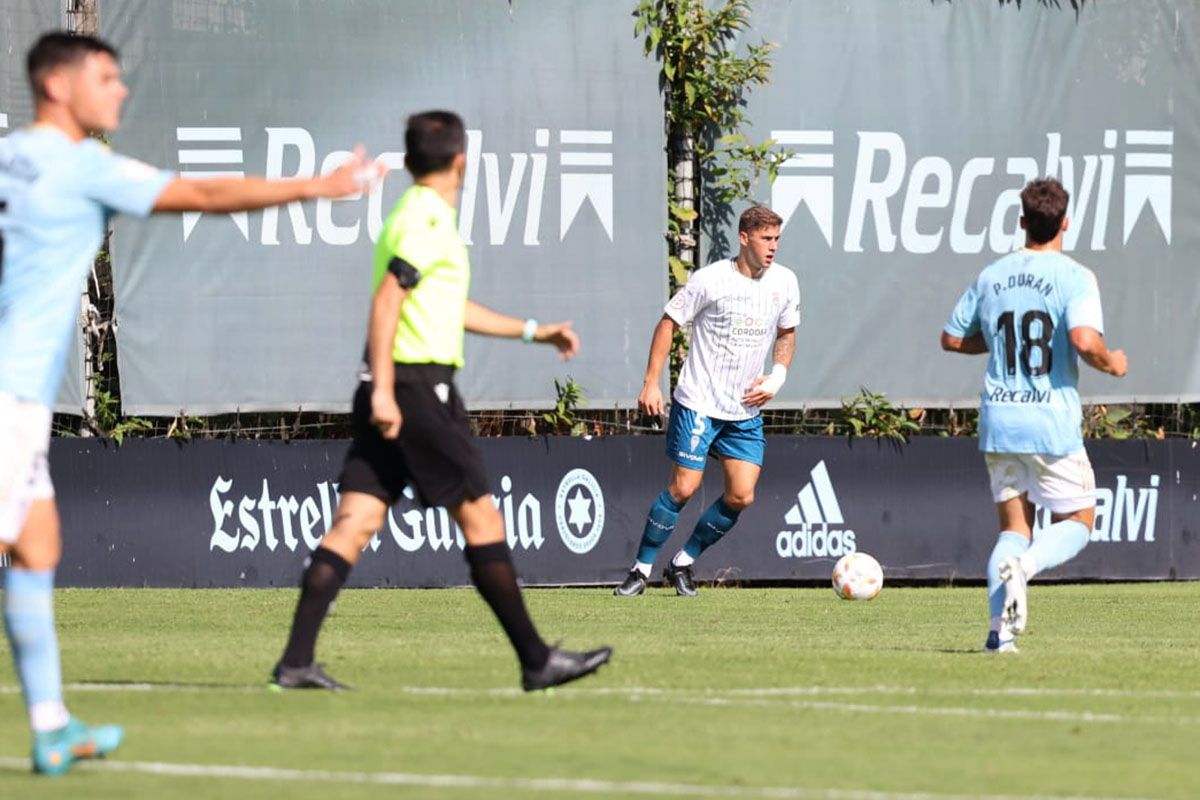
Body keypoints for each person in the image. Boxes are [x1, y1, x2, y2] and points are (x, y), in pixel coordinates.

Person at [0, 31, 383, 775]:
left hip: (18, 398)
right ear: (56, 85)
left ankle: (50, 727)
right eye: (105, 78)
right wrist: (317, 186)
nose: (120, 90)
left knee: (36, 546)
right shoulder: (79, 166)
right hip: (8, 395)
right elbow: (204, 196)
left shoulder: (13, 154)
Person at [272, 110, 612, 693]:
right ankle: (535, 660)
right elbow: (387, 302)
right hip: (414, 389)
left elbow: (449, 308)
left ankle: (295, 663)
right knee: (480, 515)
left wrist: (535, 330)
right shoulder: (429, 220)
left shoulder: (413, 215)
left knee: (355, 522)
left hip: (393, 384)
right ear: (462, 161)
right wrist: (384, 389)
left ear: (407, 163)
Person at [941, 177, 1127, 654]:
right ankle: (1024, 568)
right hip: (1050, 422)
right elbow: (1085, 341)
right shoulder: (1076, 276)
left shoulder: (992, 275)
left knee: (1013, 530)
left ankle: (997, 636)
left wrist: (1001, 345)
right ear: (1065, 222)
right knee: (1080, 521)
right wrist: (1112, 361)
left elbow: (952, 338)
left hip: (1000, 420)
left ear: (1022, 222)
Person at [614, 206, 799, 597]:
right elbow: (668, 322)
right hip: (698, 400)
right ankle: (640, 570)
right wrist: (651, 383)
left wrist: (778, 376)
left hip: (744, 408)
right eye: (766, 239)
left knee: (741, 495)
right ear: (744, 238)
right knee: (683, 488)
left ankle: (681, 563)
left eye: (777, 239)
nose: (773, 248)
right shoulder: (710, 280)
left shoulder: (785, 282)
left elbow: (787, 333)